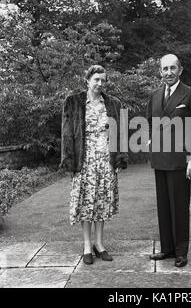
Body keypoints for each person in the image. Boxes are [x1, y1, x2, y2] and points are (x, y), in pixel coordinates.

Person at [60, 65, 127, 265]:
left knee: (102, 202)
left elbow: (121, 133)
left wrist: (119, 159)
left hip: (106, 160)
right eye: (96, 79)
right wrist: (69, 162)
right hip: (84, 161)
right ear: (87, 80)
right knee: (85, 203)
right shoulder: (72, 102)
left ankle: (100, 244)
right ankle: (87, 245)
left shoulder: (114, 103)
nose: (100, 83)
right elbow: (66, 134)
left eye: (103, 80)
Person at [147, 54, 191, 268]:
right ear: (160, 71)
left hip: (180, 160)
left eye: (173, 68)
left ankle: (181, 252)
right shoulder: (154, 95)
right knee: (163, 206)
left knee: (179, 206)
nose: (169, 72)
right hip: (159, 159)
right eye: (165, 69)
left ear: (180, 70)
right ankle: (167, 249)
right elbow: (150, 122)